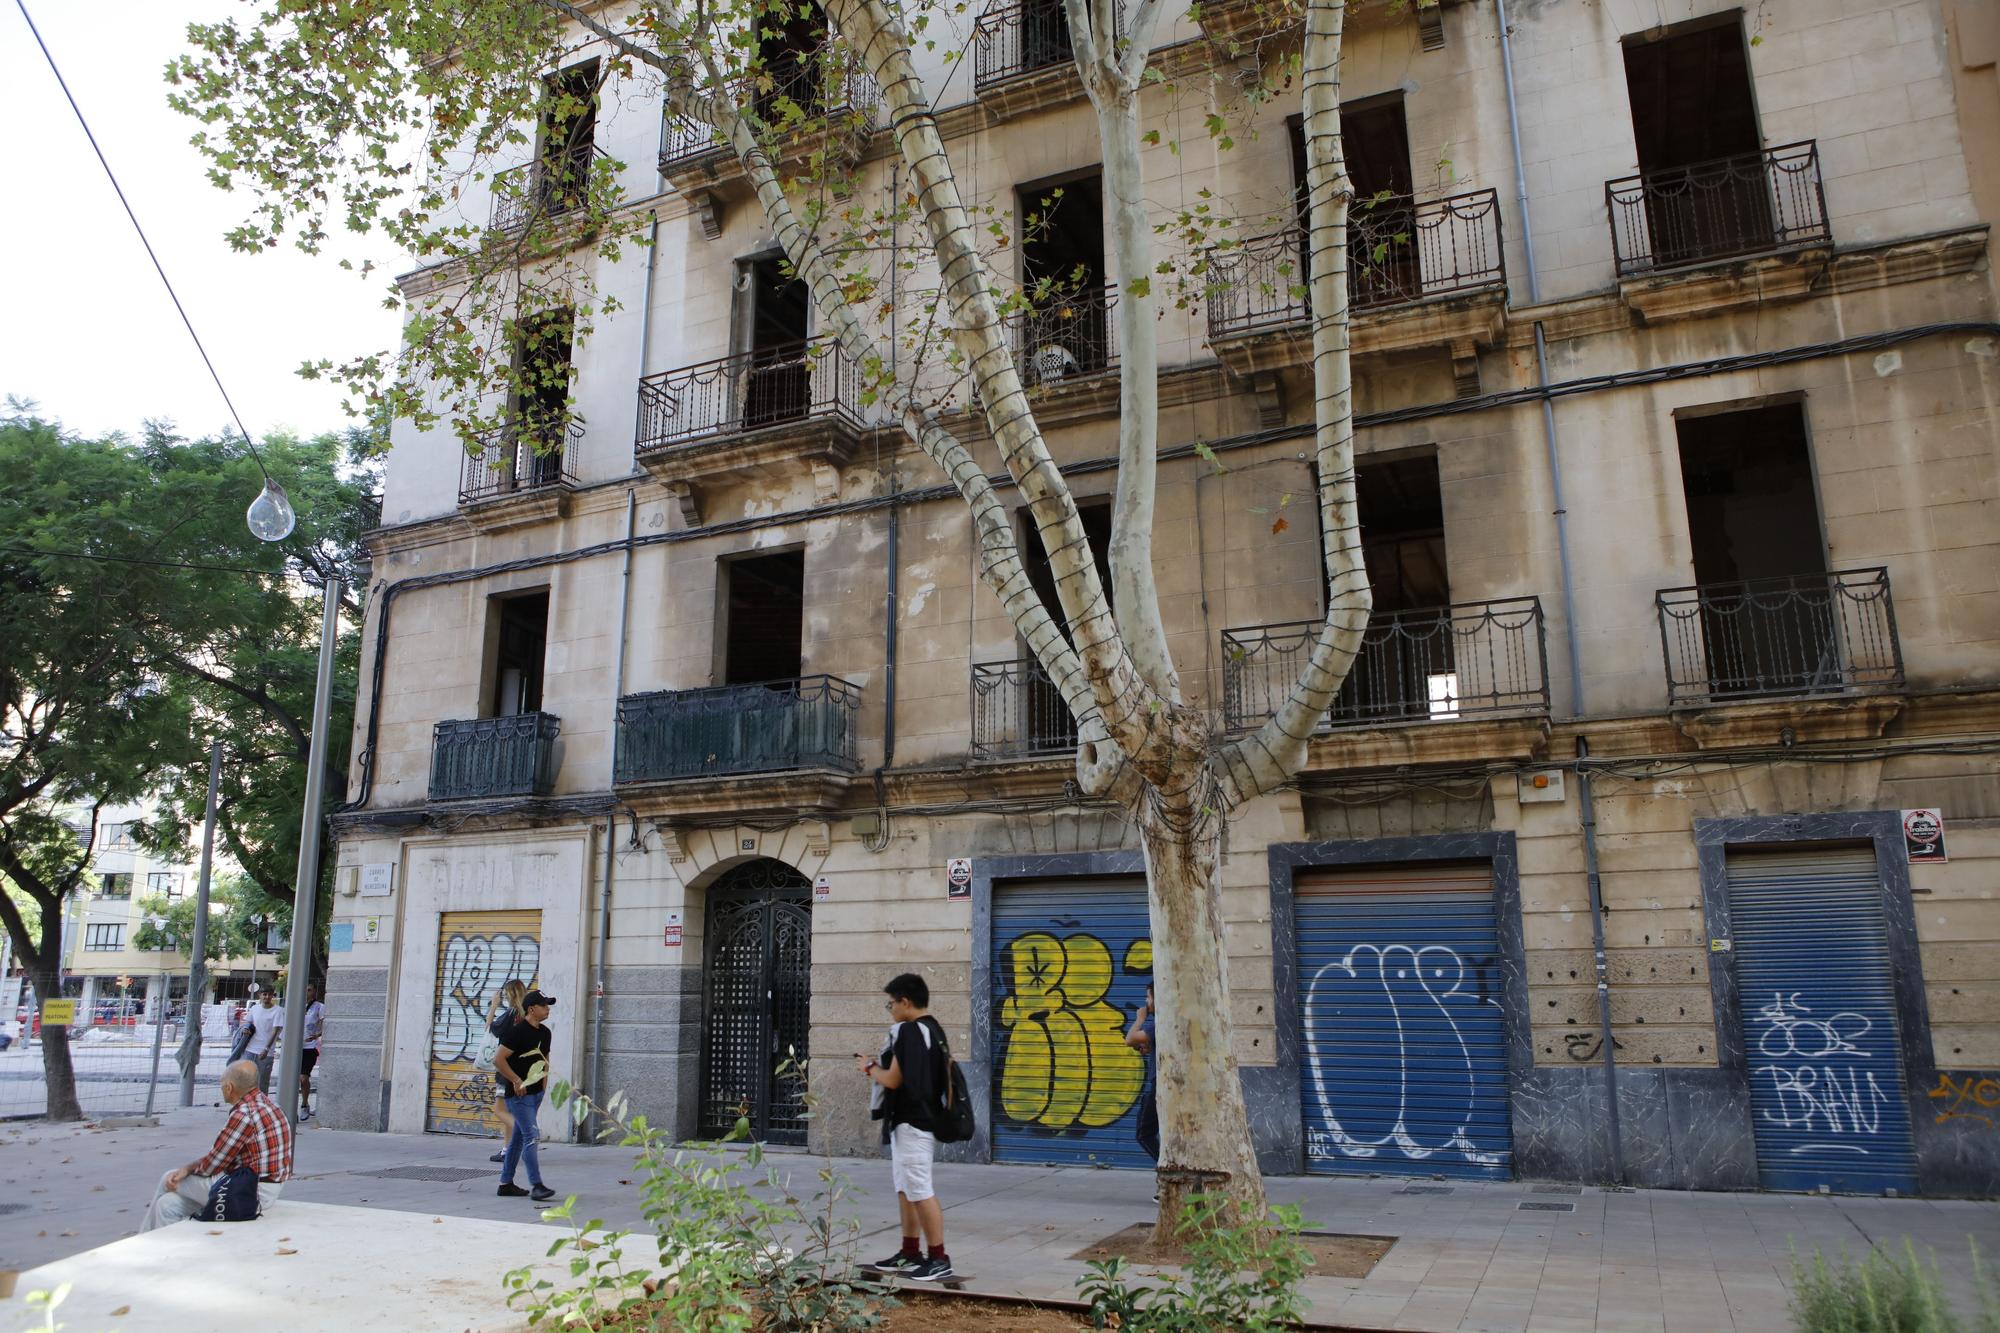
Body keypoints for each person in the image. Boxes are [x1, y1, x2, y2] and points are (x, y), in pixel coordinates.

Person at [858, 972, 953, 1282]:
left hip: (913, 1121)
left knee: (920, 1189)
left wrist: (870, 1067)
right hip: (915, 1121)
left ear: (905, 1002)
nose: (891, 1010)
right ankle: (910, 1251)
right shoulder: (933, 1029)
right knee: (907, 1188)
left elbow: (894, 1079)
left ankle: (938, 1258)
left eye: (891, 1004)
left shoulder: (911, 1032)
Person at [141, 1060, 292, 1230]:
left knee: (168, 1177)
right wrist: (190, 1169)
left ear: (229, 1088)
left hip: (251, 1192)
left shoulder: (244, 1115)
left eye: (221, 1083)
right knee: (167, 1205)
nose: (220, 1087)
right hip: (264, 1186)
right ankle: (166, 1250)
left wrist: (187, 1169)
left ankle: (142, 1241)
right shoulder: (270, 1105)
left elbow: (213, 1165)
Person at [493, 988, 556, 1202]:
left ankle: (505, 1183)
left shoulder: (545, 1033)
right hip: (518, 1096)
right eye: (544, 1005)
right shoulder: (517, 1032)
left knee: (519, 1138)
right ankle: (537, 1185)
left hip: (535, 1094)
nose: (548, 1009)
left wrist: (543, 1088)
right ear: (532, 1009)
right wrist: (516, 1080)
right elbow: (498, 1059)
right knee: (531, 1137)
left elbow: (544, 1061)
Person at [485, 979, 529, 1164]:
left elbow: (490, 1027)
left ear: (509, 995)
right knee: (511, 1110)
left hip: (506, 1070)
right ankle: (507, 1150)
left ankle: (526, 1136)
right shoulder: (527, 1014)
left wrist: (494, 1006)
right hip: (521, 1070)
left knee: (499, 1109)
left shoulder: (510, 1014)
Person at [1127, 984, 1160, 1165]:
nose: (1146, 1002)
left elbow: (1130, 1039)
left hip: (1160, 1086)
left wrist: (1140, 1019)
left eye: (1148, 997)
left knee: (1144, 1133)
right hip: (1165, 1085)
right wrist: (1150, 1046)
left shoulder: (1158, 1022)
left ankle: (1169, 1170)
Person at [242, 985, 284, 1092]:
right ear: (259, 995)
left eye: (270, 994)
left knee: (262, 1082)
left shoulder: (278, 1011)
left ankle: (262, 1106)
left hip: (265, 1052)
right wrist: (246, 1029)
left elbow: (275, 1031)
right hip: (250, 1049)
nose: (267, 997)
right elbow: (248, 1022)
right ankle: (249, 1106)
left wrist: (266, 1049)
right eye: (264, 994)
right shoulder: (254, 1008)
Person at [298, 983, 326, 1121]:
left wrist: (316, 1035)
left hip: (309, 1046)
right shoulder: (296, 1004)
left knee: (303, 1078)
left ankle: (304, 1104)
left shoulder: (319, 1007)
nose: (306, 993)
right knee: (294, 1079)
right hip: (296, 1046)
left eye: (309, 990)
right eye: (305, 990)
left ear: (314, 992)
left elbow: (324, 1024)